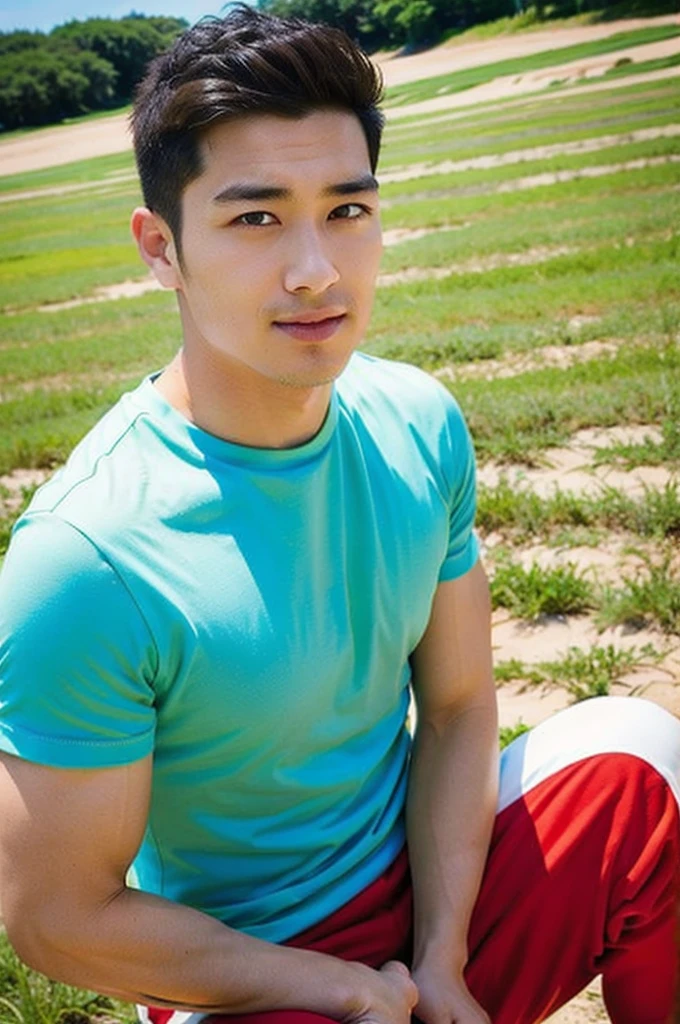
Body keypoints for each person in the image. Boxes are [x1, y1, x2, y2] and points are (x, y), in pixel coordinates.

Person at [0, 7, 678, 1023]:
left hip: (428, 893)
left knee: (640, 762)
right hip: (246, 973)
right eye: (255, 218)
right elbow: (59, 915)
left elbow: (454, 708)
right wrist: (339, 988)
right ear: (160, 247)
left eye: (346, 211)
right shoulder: (85, 558)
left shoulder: (416, 419)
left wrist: (440, 958)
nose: (315, 268)